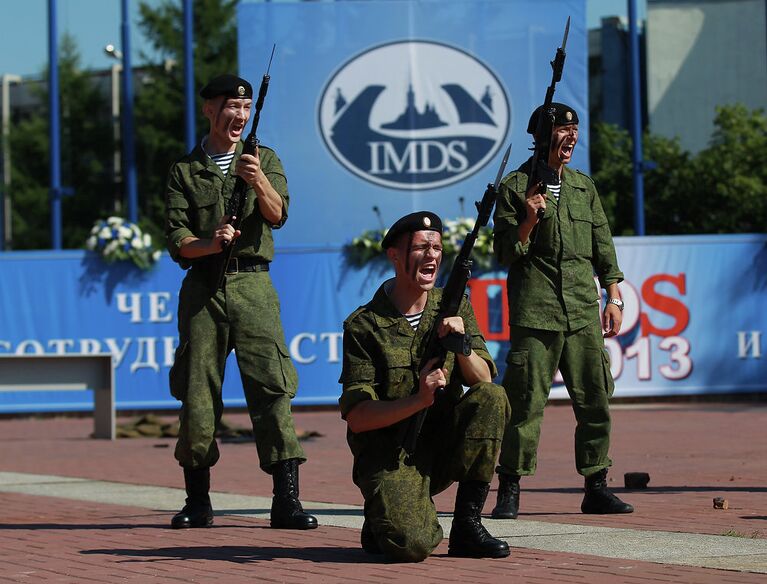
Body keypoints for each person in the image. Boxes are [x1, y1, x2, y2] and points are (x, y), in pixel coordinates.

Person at [164, 73, 317, 531]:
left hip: (253, 286)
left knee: (271, 387)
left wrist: (259, 182)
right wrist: (210, 243)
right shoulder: (184, 170)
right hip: (204, 288)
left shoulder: (263, 158)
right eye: (231, 107)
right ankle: (197, 500)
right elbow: (178, 239)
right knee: (197, 390)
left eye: (246, 109)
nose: (240, 116)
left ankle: (285, 501)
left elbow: (280, 214)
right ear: (209, 109)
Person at [339, 211, 511, 562]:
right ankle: (383, 515)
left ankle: (467, 525)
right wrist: (419, 399)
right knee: (412, 545)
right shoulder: (364, 326)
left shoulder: (454, 306)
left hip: (442, 442)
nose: (431, 255)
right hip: (391, 454)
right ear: (395, 256)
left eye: (436, 248)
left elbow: (484, 379)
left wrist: (461, 346)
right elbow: (358, 418)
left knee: (492, 398)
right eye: (420, 248)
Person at [491, 102, 634, 519]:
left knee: (595, 400)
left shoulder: (582, 187)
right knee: (524, 404)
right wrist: (528, 221)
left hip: (582, 312)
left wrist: (615, 297)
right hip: (535, 313)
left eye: (575, 130)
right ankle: (510, 488)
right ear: (541, 137)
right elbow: (504, 252)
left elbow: (603, 246)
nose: (572, 137)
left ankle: (596, 486)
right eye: (563, 130)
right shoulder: (516, 186)